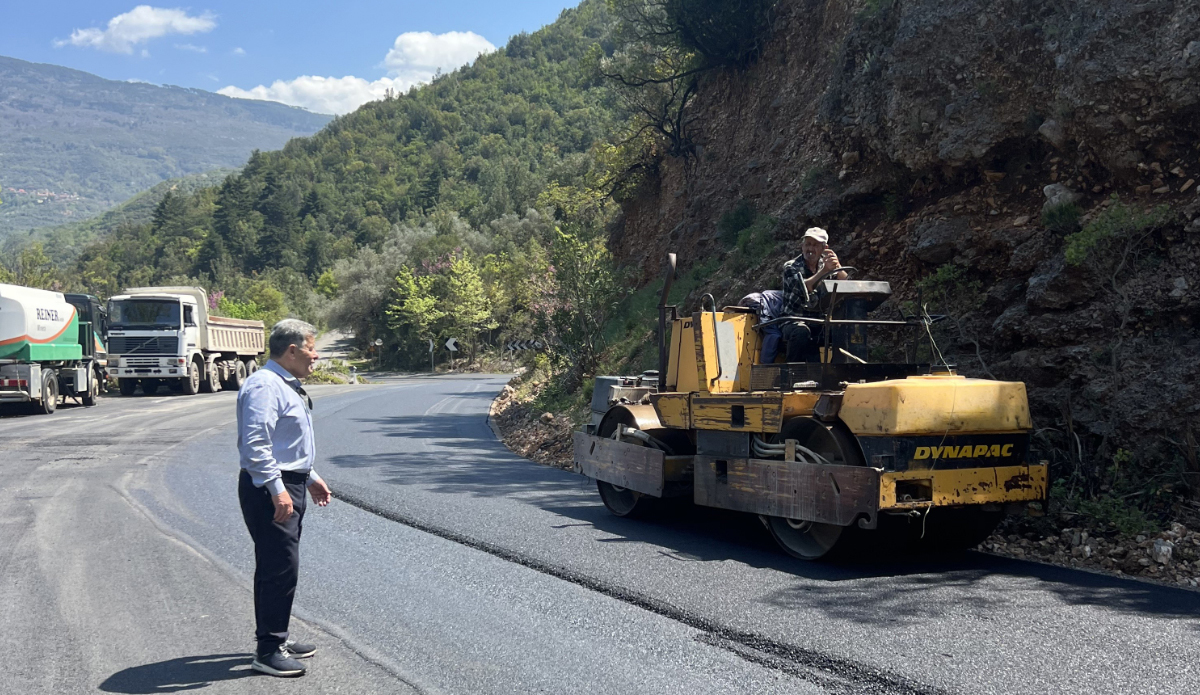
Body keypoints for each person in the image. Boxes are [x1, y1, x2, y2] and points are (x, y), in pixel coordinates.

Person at [237, 319, 332, 678]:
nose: (315, 354)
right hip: (269, 489)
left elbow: (286, 444)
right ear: (291, 351)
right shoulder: (264, 386)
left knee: (278, 565)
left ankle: (276, 639)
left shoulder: (282, 384)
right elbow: (257, 446)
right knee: (280, 568)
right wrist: (278, 490)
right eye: (311, 347)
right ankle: (268, 651)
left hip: (286, 483)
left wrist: (310, 477)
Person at [779, 227, 848, 362]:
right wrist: (824, 271)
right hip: (793, 320)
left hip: (819, 321)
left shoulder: (826, 265)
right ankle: (791, 375)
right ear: (802, 246)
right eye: (808, 244)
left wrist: (838, 266)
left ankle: (837, 373)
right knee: (801, 331)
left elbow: (845, 284)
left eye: (815, 245)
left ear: (824, 248)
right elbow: (804, 288)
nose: (810, 249)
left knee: (844, 332)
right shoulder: (791, 267)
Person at [739, 289, 785, 363]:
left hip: (755, 298)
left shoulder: (783, 294)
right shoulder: (790, 299)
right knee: (773, 334)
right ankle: (765, 365)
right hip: (758, 301)